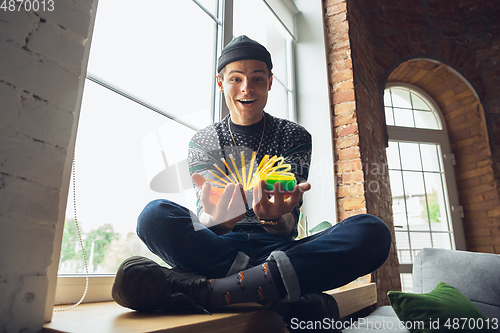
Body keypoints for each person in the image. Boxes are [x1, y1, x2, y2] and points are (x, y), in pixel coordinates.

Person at [112, 35, 392, 332]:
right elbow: (205, 219)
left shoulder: (293, 136)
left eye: (257, 78)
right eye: (236, 79)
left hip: (280, 248)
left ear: (270, 82)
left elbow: (288, 222)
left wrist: (275, 219)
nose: (247, 88)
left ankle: (211, 291)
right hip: (219, 247)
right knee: (154, 215)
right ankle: (282, 295)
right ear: (220, 83)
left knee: (371, 232)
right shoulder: (203, 141)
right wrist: (219, 221)